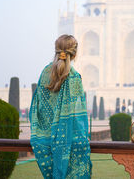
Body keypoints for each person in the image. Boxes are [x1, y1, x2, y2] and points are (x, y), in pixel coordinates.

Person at [29, 35, 92, 178]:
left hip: (43, 141)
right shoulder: (74, 77)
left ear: (56, 50)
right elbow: (78, 115)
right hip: (69, 140)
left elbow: (36, 109)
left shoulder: (45, 73)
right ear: (75, 53)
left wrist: (44, 131)